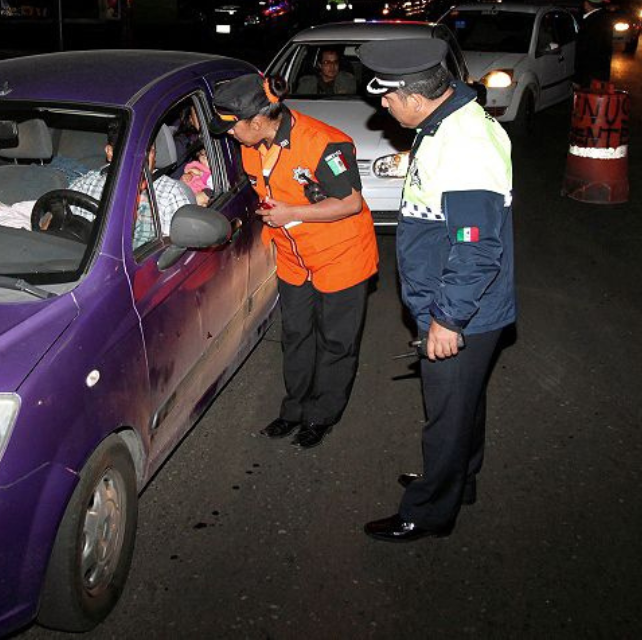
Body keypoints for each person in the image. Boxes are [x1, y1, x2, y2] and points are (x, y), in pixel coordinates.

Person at [355, 39, 516, 541]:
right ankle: (456, 480)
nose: (382, 104)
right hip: (462, 305)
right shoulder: (446, 122)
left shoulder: (464, 143)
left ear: (416, 96)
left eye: (388, 96)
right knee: (465, 403)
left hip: (460, 309)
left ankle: (427, 512)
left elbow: (476, 249)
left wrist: (447, 319)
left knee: (444, 413)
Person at [210, 73, 378, 449]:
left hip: (340, 256)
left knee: (336, 342)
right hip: (294, 257)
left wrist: (291, 212)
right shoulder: (251, 144)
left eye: (233, 128)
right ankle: (294, 409)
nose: (230, 136)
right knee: (296, 335)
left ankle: (322, 415)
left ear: (256, 121)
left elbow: (350, 202)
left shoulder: (324, 143)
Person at [68, 121, 192, 245]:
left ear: (155, 155)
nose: (139, 157)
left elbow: (179, 249)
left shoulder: (170, 193)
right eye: (129, 151)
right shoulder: (84, 185)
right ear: (110, 152)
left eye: (148, 150)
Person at [574, 0, 613, 87]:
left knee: (588, 99)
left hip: (590, 76)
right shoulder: (602, 19)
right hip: (597, 74)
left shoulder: (593, 23)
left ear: (587, 4)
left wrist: (578, 78)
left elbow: (587, 52)